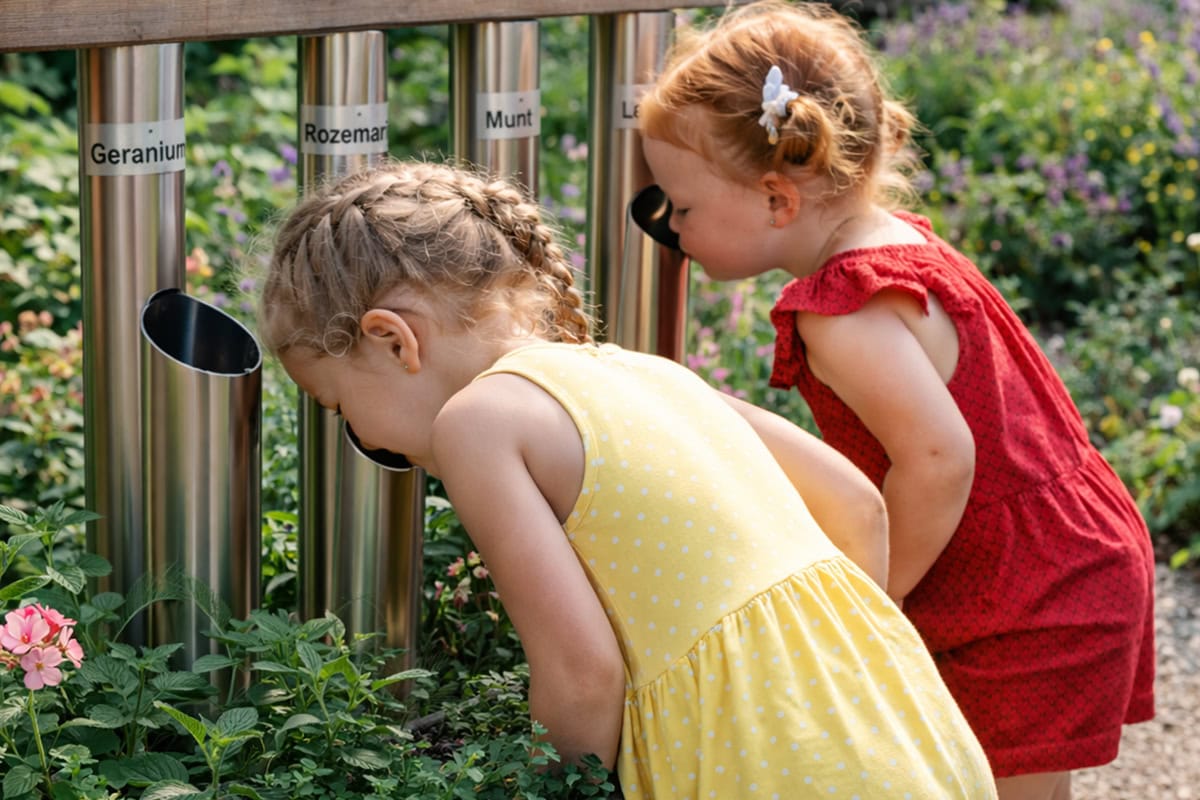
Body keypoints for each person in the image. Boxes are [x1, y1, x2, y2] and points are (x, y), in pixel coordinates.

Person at [257, 159, 997, 799]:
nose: (358, 436)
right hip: (905, 728)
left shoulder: (477, 423)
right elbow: (857, 506)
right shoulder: (648, 373)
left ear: (393, 341)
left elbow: (582, 676)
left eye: (338, 405)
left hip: (768, 769)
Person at [636, 2, 1157, 799]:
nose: (672, 226)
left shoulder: (839, 308)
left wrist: (876, 599)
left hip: (1026, 594)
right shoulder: (897, 242)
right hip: (1060, 557)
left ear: (778, 199)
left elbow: (941, 459)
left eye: (684, 205)